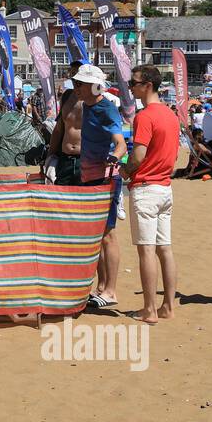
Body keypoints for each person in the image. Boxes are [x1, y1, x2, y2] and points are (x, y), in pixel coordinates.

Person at [122, 65, 180, 323]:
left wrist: (124, 170)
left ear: (147, 85)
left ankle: (149, 309)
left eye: (133, 82)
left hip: (146, 187)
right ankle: (167, 305)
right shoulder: (171, 115)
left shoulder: (145, 116)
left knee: (146, 251)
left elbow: (138, 154)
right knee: (164, 249)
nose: (130, 86)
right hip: (165, 187)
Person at [70, 64, 126, 308]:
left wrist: (116, 156)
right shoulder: (87, 106)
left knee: (108, 235)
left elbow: (120, 143)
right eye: (76, 83)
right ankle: (102, 287)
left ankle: (111, 291)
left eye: (80, 84)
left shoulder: (107, 109)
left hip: (106, 177)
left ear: (94, 86)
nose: (77, 88)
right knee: (98, 234)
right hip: (90, 175)